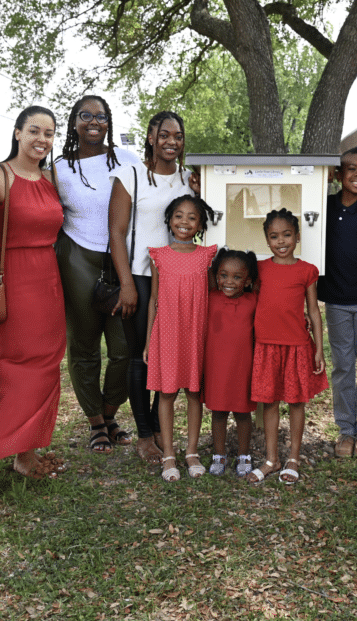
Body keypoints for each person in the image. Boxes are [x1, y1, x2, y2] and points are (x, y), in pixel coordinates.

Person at [0, 106, 67, 478]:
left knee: (48, 367)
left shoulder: (52, 178)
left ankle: (25, 455)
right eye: (34, 130)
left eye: (48, 133)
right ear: (16, 133)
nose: (41, 139)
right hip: (12, 279)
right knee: (18, 366)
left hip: (49, 278)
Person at [108, 110, 197, 467]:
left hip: (178, 278)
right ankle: (145, 434)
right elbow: (115, 232)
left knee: (169, 357)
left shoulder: (189, 179)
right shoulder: (129, 175)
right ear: (150, 137)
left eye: (178, 136)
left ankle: (162, 431)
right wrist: (126, 282)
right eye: (164, 135)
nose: (171, 142)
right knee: (141, 356)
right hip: (141, 278)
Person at [53, 96, 136, 456]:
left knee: (123, 349)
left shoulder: (128, 160)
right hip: (77, 258)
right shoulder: (58, 167)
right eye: (85, 115)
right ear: (74, 122)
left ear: (109, 122)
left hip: (121, 263)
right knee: (84, 346)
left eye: (101, 117)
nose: (93, 122)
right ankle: (96, 423)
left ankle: (109, 412)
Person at [249, 209, 328, 485]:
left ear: (297, 236)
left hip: (296, 346)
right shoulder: (259, 269)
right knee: (269, 402)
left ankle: (293, 456)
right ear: (266, 239)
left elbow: (314, 312)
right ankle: (272, 459)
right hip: (267, 347)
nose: (281, 241)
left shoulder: (306, 271)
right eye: (274, 236)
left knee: (296, 402)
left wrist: (318, 348)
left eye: (286, 235)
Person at [143, 195, 218, 481]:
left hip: (196, 331)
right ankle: (169, 455)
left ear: (200, 224)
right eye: (178, 215)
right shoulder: (158, 255)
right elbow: (153, 300)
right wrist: (150, 340)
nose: (184, 222)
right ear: (169, 220)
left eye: (191, 217)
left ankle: (191, 452)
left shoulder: (206, 255)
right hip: (168, 332)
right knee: (166, 393)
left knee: (194, 393)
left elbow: (212, 297)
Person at [318, 147, 357, 459]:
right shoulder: (324, 206)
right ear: (338, 175)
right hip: (338, 302)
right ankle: (345, 429)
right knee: (343, 367)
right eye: (351, 169)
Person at [204, 248, 259, 478]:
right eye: (224, 275)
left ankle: (244, 454)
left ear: (247, 281)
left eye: (237, 277)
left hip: (242, 368)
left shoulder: (253, 301)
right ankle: (219, 455)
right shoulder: (210, 298)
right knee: (218, 411)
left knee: (242, 413)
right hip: (216, 368)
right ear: (216, 276)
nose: (229, 281)